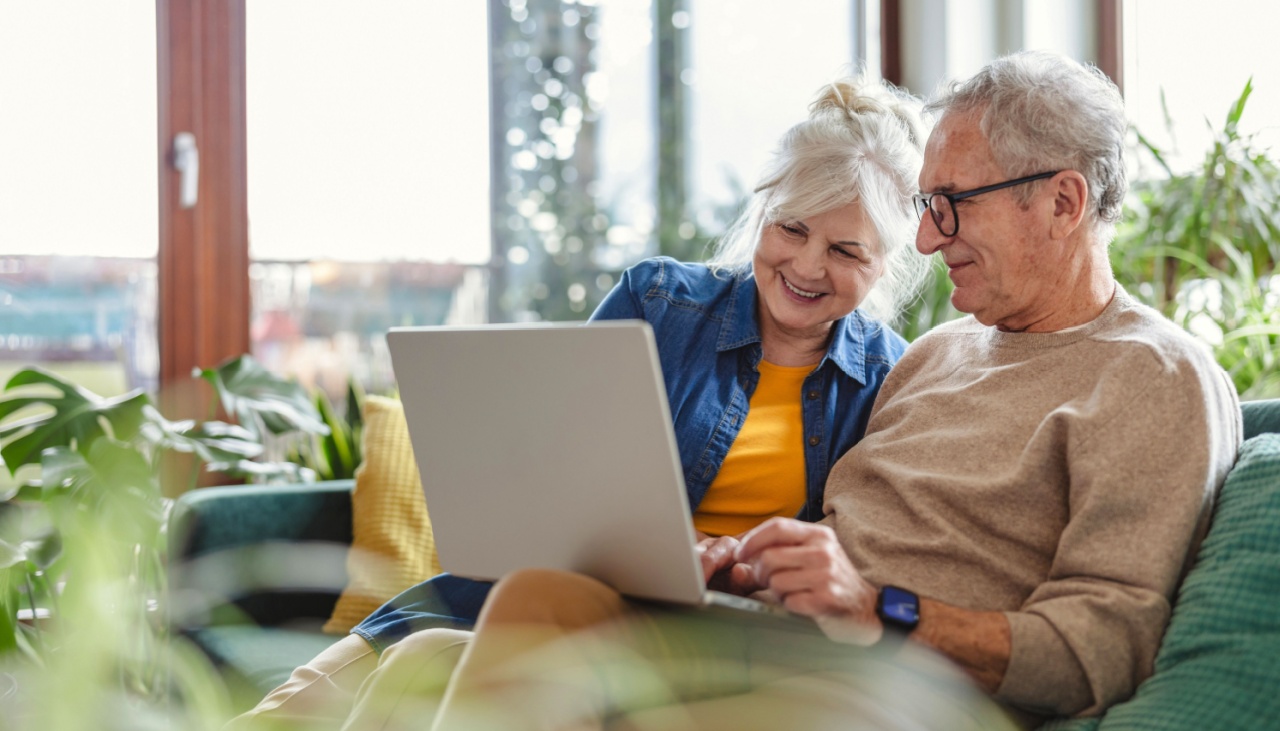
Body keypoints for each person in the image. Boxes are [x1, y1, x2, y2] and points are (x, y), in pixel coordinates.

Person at [379, 50, 1242, 730]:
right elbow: (844, 536)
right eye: (926, 207)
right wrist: (752, 560)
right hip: (785, 638)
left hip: (911, 688)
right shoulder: (937, 355)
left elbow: (1102, 647)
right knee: (512, 613)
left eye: (952, 206)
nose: (931, 242)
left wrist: (879, 608)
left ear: (1062, 201)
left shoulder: (1155, 375)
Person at [228, 73, 932, 730]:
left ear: (886, 262)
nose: (807, 265)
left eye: (846, 250)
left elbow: (853, 570)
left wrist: (742, 564)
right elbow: (549, 483)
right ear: (763, 215)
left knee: (419, 669)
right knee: (291, 710)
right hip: (533, 591)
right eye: (792, 229)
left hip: (694, 633)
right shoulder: (658, 303)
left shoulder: (889, 380)